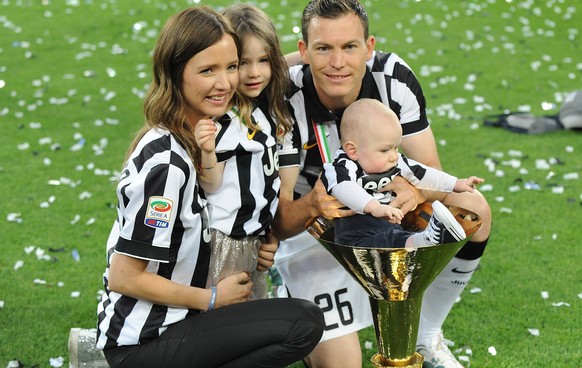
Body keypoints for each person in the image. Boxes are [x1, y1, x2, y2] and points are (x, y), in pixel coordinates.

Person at [95, 7, 324, 368]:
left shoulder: (211, 131)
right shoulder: (167, 164)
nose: (225, 83)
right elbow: (125, 277)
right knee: (301, 323)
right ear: (175, 73)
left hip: (187, 324)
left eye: (230, 67)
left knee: (294, 325)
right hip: (145, 342)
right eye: (207, 70)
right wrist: (213, 298)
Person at [272, 1, 492, 367]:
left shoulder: (393, 78)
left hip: (384, 214)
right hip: (315, 231)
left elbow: (433, 175)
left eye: (350, 47)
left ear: (369, 47)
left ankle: (427, 334)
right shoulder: (283, 96)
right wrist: (313, 204)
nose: (338, 62)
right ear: (303, 52)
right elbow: (278, 220)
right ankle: (291, 285)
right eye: (323, 48)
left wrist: (417, 191)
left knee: (474, 208)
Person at [198, 3, 294, 301]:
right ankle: (102, 345)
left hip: (254, 239)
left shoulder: (266, 109)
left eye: (263, 60)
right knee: (229, 327)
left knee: (254, 320)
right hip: (223, 241)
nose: (254, 73)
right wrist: (207, 154)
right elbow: (211, 183)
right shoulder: (224, 117)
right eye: (241, 63)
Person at [321, 99, 484, 248]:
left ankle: (431, 237)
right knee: (389, 241)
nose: (393, 156)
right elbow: (344, 188)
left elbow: (423, 174)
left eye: (396, 147)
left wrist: (456, 183)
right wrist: (374, 207)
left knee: (395, 239)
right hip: (356, 234)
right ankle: (426, 239)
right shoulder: (341, 167)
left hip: (389, 224)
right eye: (385, 150)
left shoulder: (394, 160)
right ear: (353, 150)